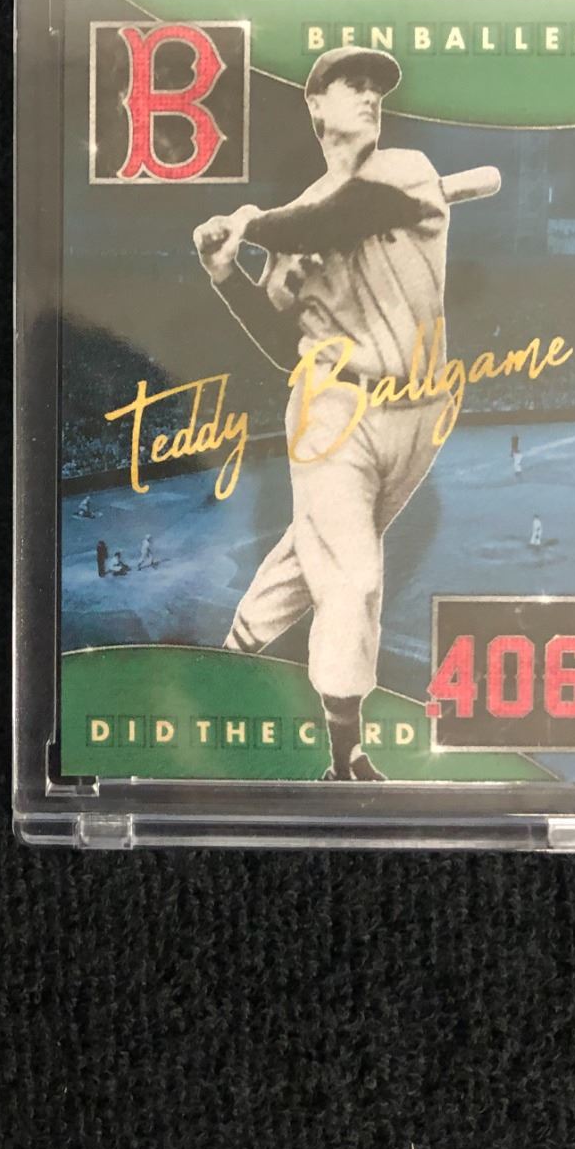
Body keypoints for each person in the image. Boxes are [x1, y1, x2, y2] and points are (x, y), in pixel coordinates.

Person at [194, 46, 493, 784]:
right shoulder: (295, 224)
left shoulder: (405, 170)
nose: (369, 96)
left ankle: (229, 656)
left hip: (421, 413)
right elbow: (281, 343)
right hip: (332, 411)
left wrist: (249, 222)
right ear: (316, 105)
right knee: (353, 574)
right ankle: (346, 757)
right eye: (350, 85)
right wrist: (227, 277)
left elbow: (339, 217)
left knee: (316, 551)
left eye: (374, 88)